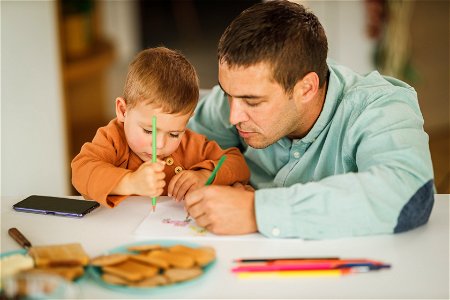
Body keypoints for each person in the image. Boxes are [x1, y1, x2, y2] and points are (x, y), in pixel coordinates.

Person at [186, 0, 434, 239]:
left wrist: (255, 210)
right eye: (228, 94)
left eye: (253, 102)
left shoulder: (379, 106)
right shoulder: (239, 92)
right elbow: (179, 141)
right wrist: (211, 174)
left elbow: (408, 192)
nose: (233, 115)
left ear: (306, 88)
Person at [71, 47, 250, 208]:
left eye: (174, 134)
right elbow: (81, 171)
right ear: (123, 110)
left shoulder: (189, 143)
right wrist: (130, 182)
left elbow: (238, 164)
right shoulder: (113, 138)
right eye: (149, 131)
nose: (160, 145)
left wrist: (204, 176)